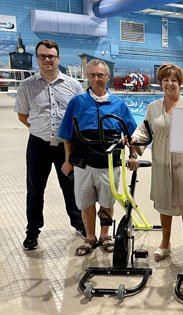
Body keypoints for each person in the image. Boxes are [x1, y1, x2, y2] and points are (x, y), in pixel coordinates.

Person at [57, 59, 138, 256]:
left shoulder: (118, 104)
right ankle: (90, 237)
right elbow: (67, 135)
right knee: (86, 202)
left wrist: (133, 154)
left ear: (107, 77)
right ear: (87, 77)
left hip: (110, 163)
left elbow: (132, 134)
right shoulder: (77, 103)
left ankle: (105, 236)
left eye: (100, 75)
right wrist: (68, 160)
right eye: (92, 74)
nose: (96, 78)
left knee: (107, 202)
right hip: (84, 163)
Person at [15, 40, 85, 250]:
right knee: (35, 190)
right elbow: (22, 115)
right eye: (43, 56)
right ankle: (32, 232)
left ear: (58, 58)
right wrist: (41, 129)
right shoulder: (27, 85)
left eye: (51, 56)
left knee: (71, 187)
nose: (47, 59)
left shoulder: (73, 85)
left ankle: (80, 224)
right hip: (38, 144)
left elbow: (79, 116)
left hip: (67, 145)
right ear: (37, 58)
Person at [127, 64, 183, 262]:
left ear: (180, 83)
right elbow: (143, 132)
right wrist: (133, 143)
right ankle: (165, 243)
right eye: (166, 80)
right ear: (160, 83)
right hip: (162, 164)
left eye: (174, 80)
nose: (170, 83)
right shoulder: (153, 108)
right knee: (164, 205)